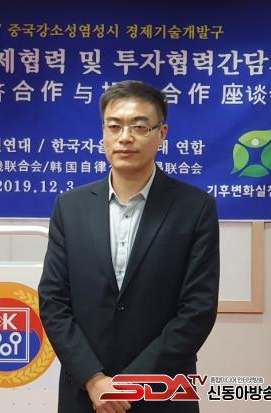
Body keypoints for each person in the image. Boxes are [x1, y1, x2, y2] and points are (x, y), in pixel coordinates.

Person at [38, 80, 220, 413]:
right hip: (86, 394)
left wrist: (129, 385)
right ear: (103, 134)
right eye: (114, 126)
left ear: (161, 133)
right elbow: (53, 302)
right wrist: (94, 379)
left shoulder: (195, 208)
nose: (125, 137)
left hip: (162, 393)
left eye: (139, 126)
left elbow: (197, 309)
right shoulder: (70, 206)